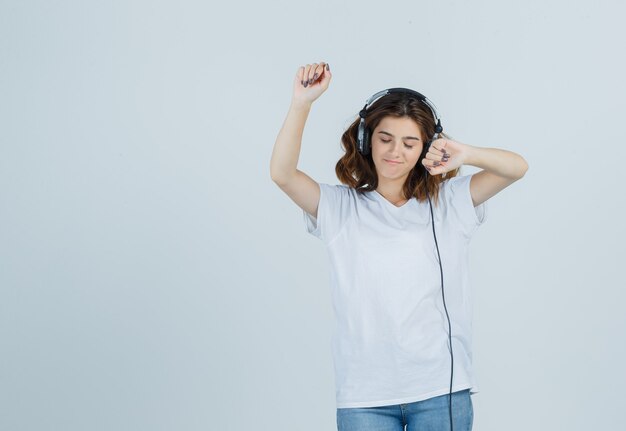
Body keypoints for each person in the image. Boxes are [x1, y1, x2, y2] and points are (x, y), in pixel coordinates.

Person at [270, 61, 528, 431]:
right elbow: (282, 174)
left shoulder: (451, 202)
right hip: (365, 397)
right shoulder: (340, 208)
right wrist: (301, 103)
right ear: (366, 139)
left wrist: (465, 153)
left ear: (425, 146)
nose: (395, 152)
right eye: (385, 138)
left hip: (442, 389)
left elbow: (516, 167)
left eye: (410, 143)